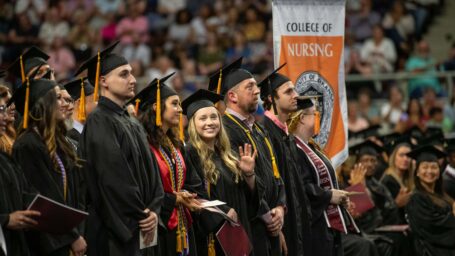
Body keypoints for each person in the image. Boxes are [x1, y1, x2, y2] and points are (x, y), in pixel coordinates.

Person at [76, 41, 164, 255]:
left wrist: (154, 209)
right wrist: (142, 215)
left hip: (143, 226)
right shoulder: (99, 121)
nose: (133, 80)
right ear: (103, 81)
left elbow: (153, 172)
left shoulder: (131, 121)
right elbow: (113, 179)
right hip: (118, 231)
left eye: (132, 74)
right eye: (124, 74)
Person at [209, 57, 286, 256]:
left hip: (271, 224)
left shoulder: (257, 129)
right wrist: (268, 215)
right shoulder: (225, 131)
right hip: (251, 225)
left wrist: (280, 207)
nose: (258, 91)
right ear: (233, 96)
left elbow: (274, 173)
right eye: (250, 87)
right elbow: (240, 184)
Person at [10, 78, 87, 256]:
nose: (65, 104)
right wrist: (72, 236)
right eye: (58, 98)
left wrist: (77, 232)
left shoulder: (59, 142)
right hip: (47, 241)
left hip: (68, 235)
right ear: (42, 104)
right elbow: (44, 197)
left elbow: (76, 193)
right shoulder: (27, 145)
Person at [132, 73, 203, 256]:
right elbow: (142, 189)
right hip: (159, 225)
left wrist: (184, 194)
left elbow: (181, 180)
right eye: (174, 104)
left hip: (181, 223)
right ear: (156, 106)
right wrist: (174, 198)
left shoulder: (175, 144)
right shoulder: (142, 144)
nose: (180, 109)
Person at [182, 89, 258, 255]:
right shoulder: (189, 153)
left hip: (239, 231)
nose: (210, 122)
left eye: (214, 117)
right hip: (214, 236)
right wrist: (223, 212)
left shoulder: (228, 155)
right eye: (202, 118)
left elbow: (250, 200)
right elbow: (195, 194)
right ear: (193, 124)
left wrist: (249, 175)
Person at [288, 97, 359, 256]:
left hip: (327, 225)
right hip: (315, 227)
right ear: (302, 118)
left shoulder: (311, 146)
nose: (318, 117)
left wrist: (339, 196)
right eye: (315, 114)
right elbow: (301, 186)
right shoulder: (293, 148)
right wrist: (328, 196)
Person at [258, 65, 312, 255]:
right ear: (271, 98)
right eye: (288, 91)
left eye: (295, 89)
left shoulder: (284, 132)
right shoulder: (263, 132)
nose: (295, 95)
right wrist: (278, 229)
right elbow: (267, 185)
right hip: (279, 224)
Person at [0, 91, 40, 256]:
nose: (5, 117)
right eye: (0, 110)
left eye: (3, 109)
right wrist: (6, 219)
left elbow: (25, 190)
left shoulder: (4, 159)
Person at [406, 145, 455, 256]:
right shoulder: (416, 198)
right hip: (432, 250)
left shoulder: (442, 195)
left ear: (439, 172)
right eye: (425, 167)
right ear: (417, 172)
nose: (430, 171)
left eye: (434, 167)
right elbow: (432, 229)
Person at [381, 137, 414, 221]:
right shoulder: (388, 181)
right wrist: (396, 203)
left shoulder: (408, 179)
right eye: (401, 155)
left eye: (408, 156)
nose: (405, 159)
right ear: (393, 157)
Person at [62, 78, 96, 142]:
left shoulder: (90, 131)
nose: (99, 104)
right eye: (96, 100)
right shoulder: (68, 136)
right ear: (80, 102)